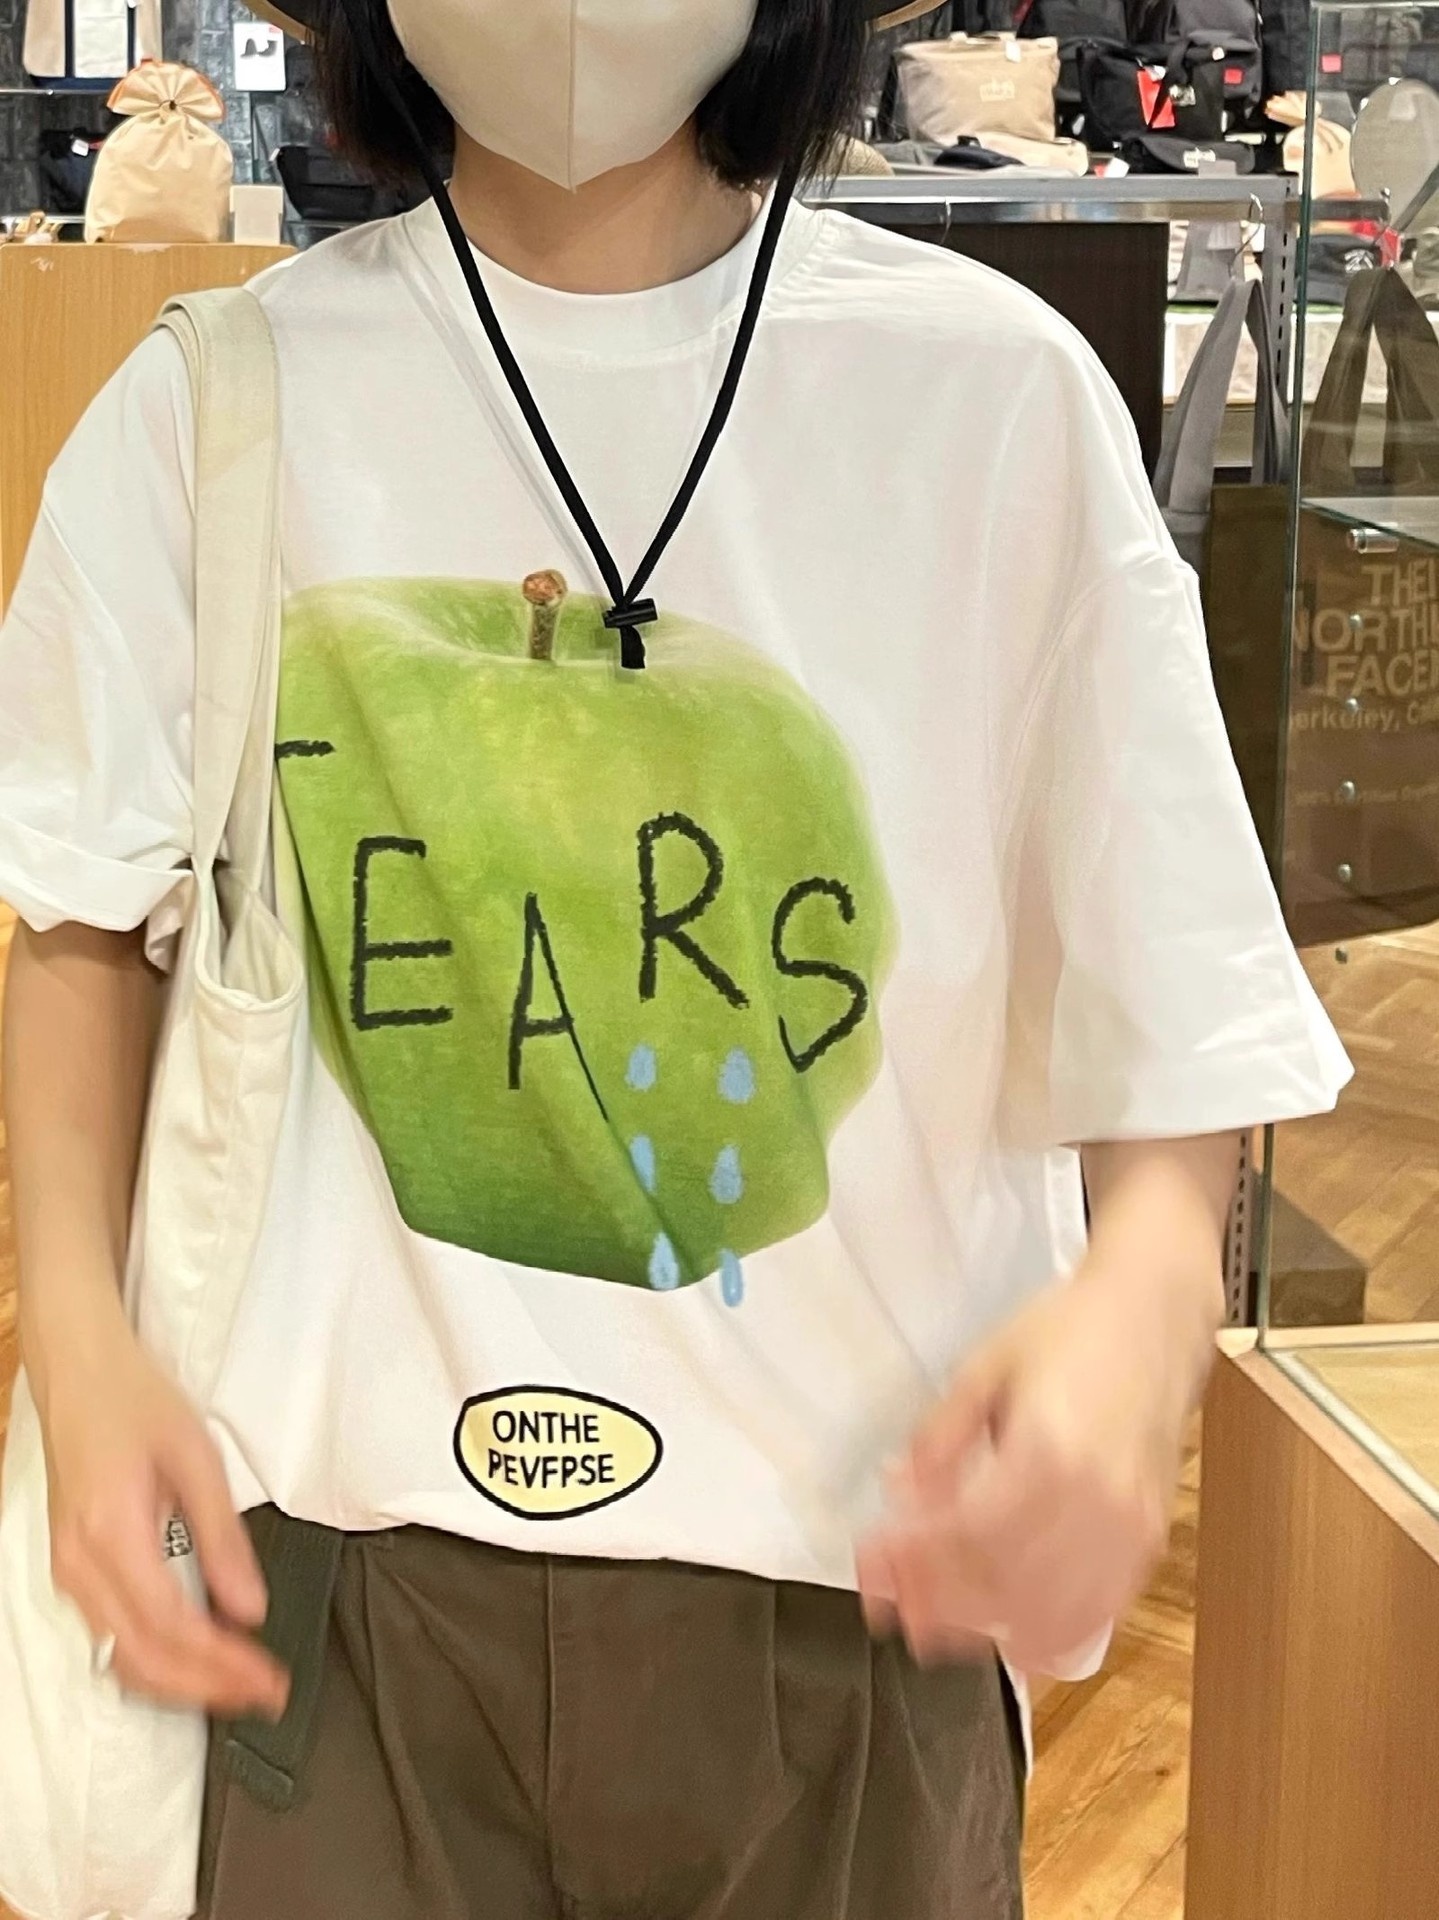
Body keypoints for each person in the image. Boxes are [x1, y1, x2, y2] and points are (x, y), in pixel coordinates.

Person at [0, 1, 1349, 1915]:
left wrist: (1142, 1307)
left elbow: (1171, 972)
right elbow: (80, 909)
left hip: (855, 1602)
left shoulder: (997, 403)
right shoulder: (215, 403)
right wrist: (75, 1336)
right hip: (332, 1596)